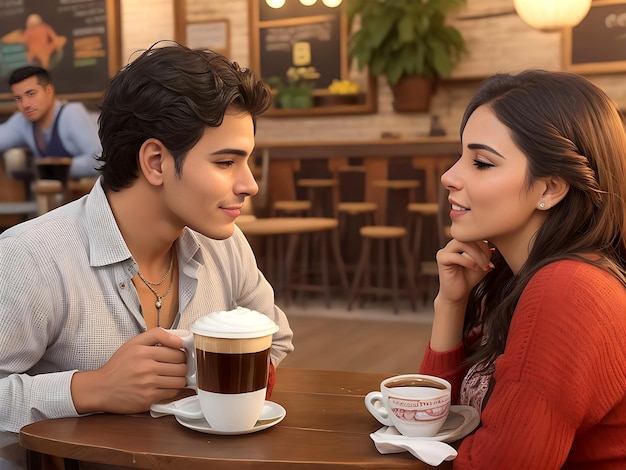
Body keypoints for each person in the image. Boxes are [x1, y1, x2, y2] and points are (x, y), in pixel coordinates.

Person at [0, 42, 294, 469]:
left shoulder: (225, 245)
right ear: (155, 161)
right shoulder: (33, 256)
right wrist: (91, 389)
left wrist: (208, 370)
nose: (250, 185)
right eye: (227, 162)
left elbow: (277, 338)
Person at [420, 70, 626, 469]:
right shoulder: (523, 276)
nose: (449, 176)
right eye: (460, 155)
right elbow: (438, 425)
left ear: (549, 188)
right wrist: (450, 304)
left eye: (480, 162)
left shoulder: (568, 290)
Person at [0, 65, 101, 179]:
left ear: (49, 90)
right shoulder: (23, 121)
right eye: (18, 98)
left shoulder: (71, 113)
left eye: (31, 94)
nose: (25, 105)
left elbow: (100, 161)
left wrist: (51, 167)